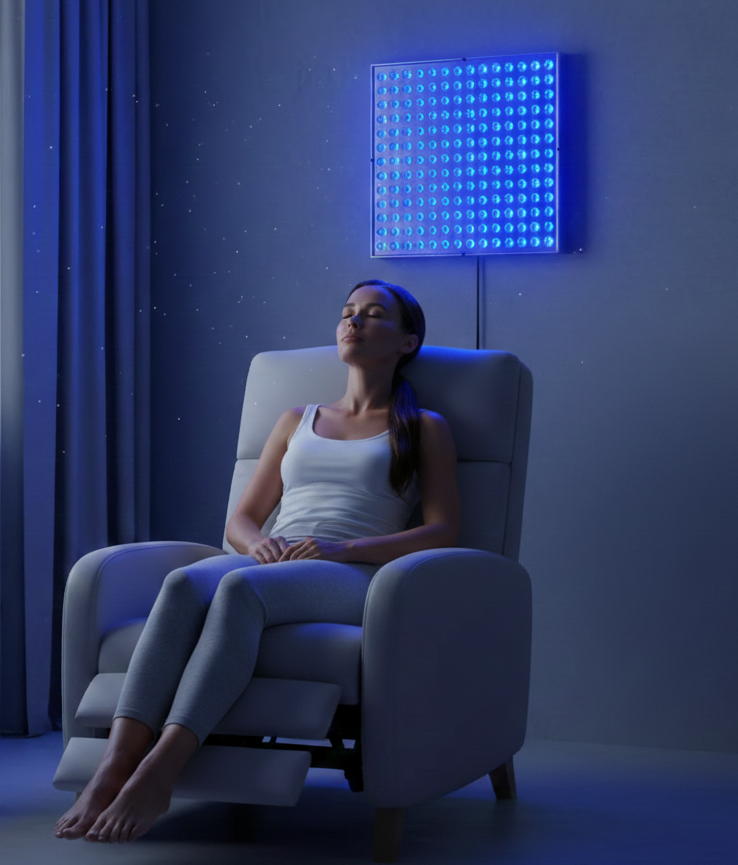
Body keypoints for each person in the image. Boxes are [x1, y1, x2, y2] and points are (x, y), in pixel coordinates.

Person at [54, 280, 460, 843]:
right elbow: (241, 520)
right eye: (346, 313)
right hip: (278, 557)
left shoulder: (422, 427)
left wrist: (346, 549)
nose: (353, 323)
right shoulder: (298, 419)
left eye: (372, 315)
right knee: (181, 584)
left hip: (356, 573)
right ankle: (115, 764)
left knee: (241, 594)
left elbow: (443, 529)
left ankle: (160, 769)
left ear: (407, 341)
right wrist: (256, 545)